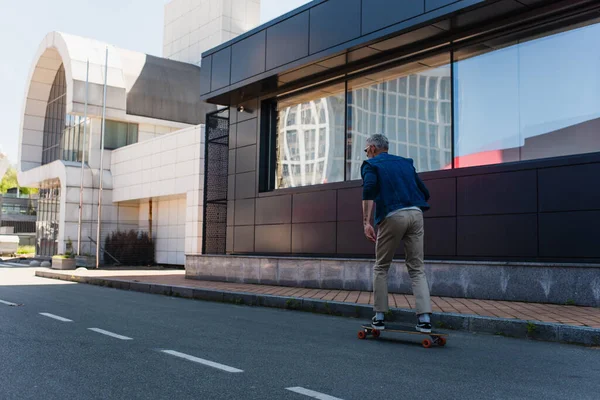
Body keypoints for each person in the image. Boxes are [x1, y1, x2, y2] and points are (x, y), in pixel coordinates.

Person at [361, 134, 433, 333]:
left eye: (366, 150)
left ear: (374, 148)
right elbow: (424, 192)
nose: (366, 154)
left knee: (381, 267)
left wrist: (366, 222)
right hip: (416, 214)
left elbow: (368, 189)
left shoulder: (371, 165)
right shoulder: (405, 163)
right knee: (417, 268)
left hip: (392, 215)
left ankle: (380, 316)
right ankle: (425, 318)